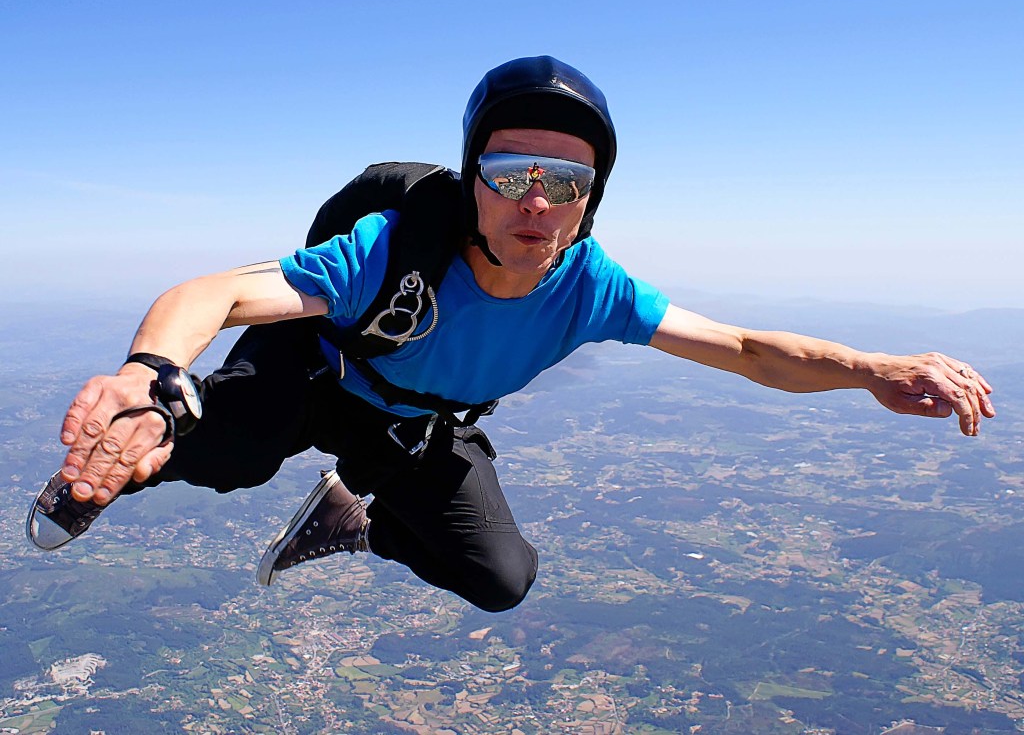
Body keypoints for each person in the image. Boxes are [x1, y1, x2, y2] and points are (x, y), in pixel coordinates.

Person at [26, 56, 995, 613]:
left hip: (411, 424)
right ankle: (124, 456)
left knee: (501, 576)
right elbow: (218, 294)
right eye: (510, 172)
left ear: (590, 204)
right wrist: (151, 371)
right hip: (320, 373)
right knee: (220, 443)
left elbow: (741, 348)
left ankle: (350, 512)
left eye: (565, 183)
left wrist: (868, 368)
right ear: (471, 177)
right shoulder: (396, 247)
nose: (536, 202)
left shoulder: (588, 288)